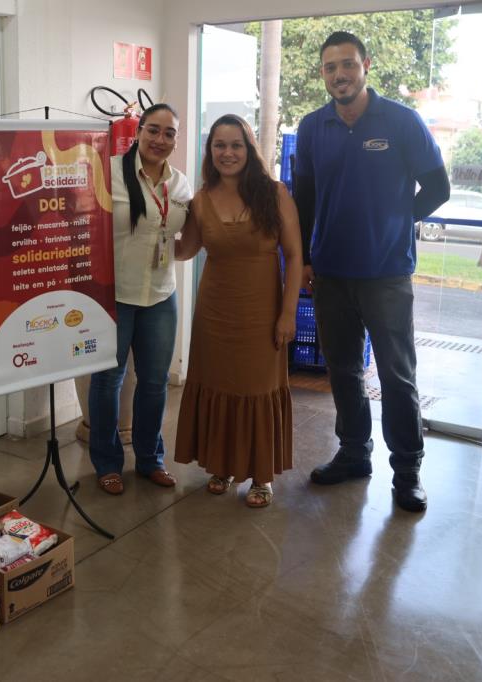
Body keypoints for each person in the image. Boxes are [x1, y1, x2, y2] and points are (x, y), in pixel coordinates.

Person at [293, 31, 450, 512]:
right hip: (332, 274)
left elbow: (438, 187)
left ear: (366, 65)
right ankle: (354, 454)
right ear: (323, 74)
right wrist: (304, 259)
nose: (338, 74)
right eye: (329, 67)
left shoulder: (401, 121)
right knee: (342, 370)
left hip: (386, 274)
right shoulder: (312, 125)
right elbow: (304, 198)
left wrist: (398, 220)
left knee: (397, 376)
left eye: (347, 64)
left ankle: (407, 471)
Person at [173, 115, 303, 508]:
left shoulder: (274, 193)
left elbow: (295, 257)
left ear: (249, 150)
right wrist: (157, 224)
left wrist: (288, 313)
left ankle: (262, 476)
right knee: (219, 384)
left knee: (257, 388)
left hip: (262, 311)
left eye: (236, 145)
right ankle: (222, 465)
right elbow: (184, 250)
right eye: (219, 145)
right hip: (214, 312)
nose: (227, 153)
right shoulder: (199, 199)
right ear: (210, 152)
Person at [88, 103, 193, 495]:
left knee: (154, 382)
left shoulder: (180, 184)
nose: (160, 139)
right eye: (153, 130)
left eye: (169, 133)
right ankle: (107, 462)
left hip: (161, 294)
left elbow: (188, 235)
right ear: (138, 131)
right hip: (113, 294)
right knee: (108, 380)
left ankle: (150, 459)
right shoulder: (109, 172)